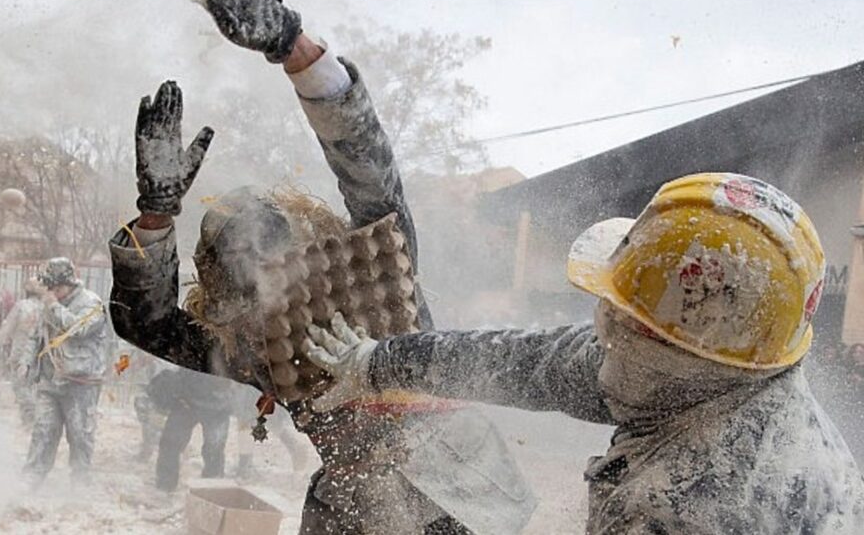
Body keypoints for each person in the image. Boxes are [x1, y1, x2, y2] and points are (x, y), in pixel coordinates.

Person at [108, 0, 524, 534]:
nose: (260, 271)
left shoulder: (374, 270)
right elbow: (146, 324)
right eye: (239, 264)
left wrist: (292, 47)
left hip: (459, 494)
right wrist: (155, 213)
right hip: (355, 503)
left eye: (269, 250)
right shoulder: (249, 345)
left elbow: (367, 167)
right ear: (219, 281)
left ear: (307, 240)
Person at [304, 173, 864, 534]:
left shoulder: (673, 507)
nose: (602, 329)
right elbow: (526, 363)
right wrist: (379, 363)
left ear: (662, 347)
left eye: (620, 317)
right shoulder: (721, 367)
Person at [19, 257, 110, 486]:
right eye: (50, 289)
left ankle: (79, 483)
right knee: (43, 430)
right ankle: (32, 478)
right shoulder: (50, 304)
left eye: (56, 288)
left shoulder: (91, 304)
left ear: (68, 284)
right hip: (50, 381)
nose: (53, 293)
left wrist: (53, 306)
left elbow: (75, 330)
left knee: (79, 435)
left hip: (81, 383)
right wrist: (26, 361)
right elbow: (37, 334)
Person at [148, 367, 236, 492]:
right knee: (172, 445)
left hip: (212, 402)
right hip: (192, 400)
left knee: (213, 450)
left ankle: (210, 490)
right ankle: (166, 485)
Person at [0, 277, 48, 426]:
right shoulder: (45, 307)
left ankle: (30, 416)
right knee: (34, 386)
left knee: (20, 386)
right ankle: (32, 417)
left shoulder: (21, 306)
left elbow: (8, 327)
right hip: (40, 353)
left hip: (20, 352)